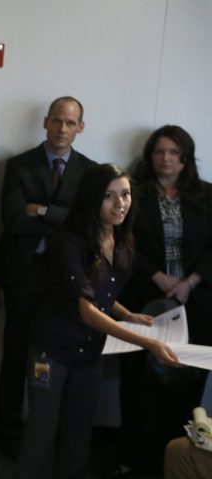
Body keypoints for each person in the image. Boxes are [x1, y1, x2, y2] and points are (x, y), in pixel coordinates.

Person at [16, 163, 179, 479]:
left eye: (126, 195)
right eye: (109, 196)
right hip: (53, 347)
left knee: (78, 432)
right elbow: (87, 309)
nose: (120, 204)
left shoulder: (121, 240)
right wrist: (149, 343)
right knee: (42, 430)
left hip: (89, 351)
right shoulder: (70, 240)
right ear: (93, 198)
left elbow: (100, 291)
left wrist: (126, 313)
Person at [0, 96, 96, 457]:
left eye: (70, 123)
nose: (62, 129)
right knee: (16, 355)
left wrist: (42, 210)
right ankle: (7, 432)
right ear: (45, 122)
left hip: (67, 282)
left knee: (55, 360)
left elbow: (86, 225)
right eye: (57, 121)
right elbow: (14, 221)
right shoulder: (19, 165)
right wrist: (61, 217)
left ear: (81, 127)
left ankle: (49, 437)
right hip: (25, 275)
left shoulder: (90, 171)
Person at [113, 125, 212, 476]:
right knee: (139, 386)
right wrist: (158, 276)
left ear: (185, 159)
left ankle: (175, 464)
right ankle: (135, 463)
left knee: (185, 387)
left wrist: (191, 281)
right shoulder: (133, 194)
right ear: (149, 156)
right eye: (159, 152)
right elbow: (121, 238)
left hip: (196, 305)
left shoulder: (207, 195)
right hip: (143, 303)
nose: (165, 158)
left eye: (173, 153)